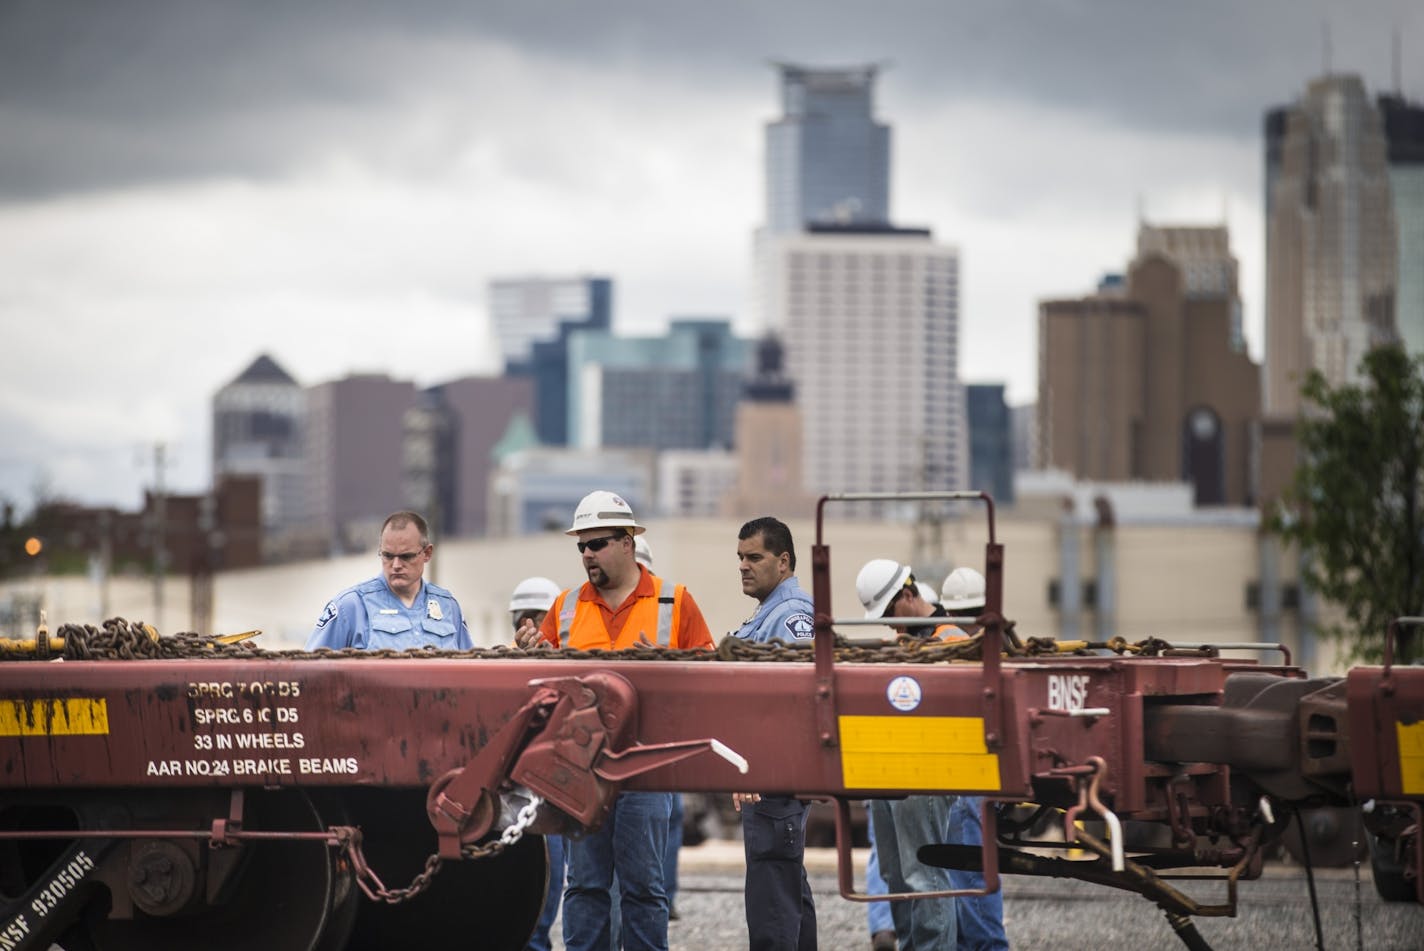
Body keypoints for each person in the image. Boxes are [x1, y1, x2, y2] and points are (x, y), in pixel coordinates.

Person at [516, 490, 713, 951]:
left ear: (628, 543)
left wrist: (670, 664)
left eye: (598, 543)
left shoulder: (674, 602)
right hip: (582, 768)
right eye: (581, 545)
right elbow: (543, 686)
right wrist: (533, 654)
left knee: (644, 887)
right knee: (584, 886)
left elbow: (707, 674)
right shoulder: (564, 607)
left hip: (646, 768)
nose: (587, 554)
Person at [855, 559, 1008, 951]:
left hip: (927, 773)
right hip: (895, 774)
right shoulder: (910, 643)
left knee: (924, 877)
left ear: (909, 595)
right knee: (895, 875)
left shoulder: (951, 642)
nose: (888, 624)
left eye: (889, 613)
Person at [728, 516, 818, 951]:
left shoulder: (792, 617)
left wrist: (756, 768)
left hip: (774, 783)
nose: (744, 566)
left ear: (783, 562)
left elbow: (792, 703)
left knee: (772, 906)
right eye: (741, 558)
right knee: (786, 891)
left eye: (755, 557)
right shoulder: (769, 616)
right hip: (774, 783)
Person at [306, 511, 471, 651]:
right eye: (388, 556)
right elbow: (311, 672)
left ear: (427, 553)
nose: (396, 565)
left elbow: (468, 672)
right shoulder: (350, 607)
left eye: (406, 556)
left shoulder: (448, 607)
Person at [511, 576, 568, 951]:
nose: (533, 628)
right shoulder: (504, 671)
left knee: (549, 888)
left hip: (553, 796)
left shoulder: (569, 670)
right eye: (526, 619)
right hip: (519, 800)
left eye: (540, 618)